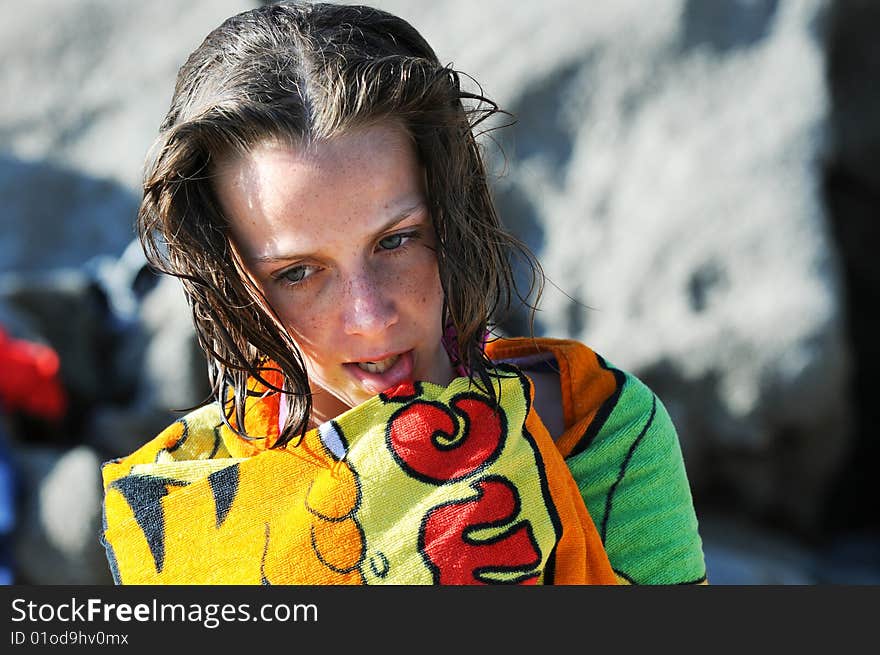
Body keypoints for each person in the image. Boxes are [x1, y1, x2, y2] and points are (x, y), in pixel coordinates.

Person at [100, 0, 707, 585]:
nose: (370, 317)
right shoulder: (191, 510)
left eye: (396, 241)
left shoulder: (597, 436)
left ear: (451, 214)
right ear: (231, 281)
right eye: (298, 273)